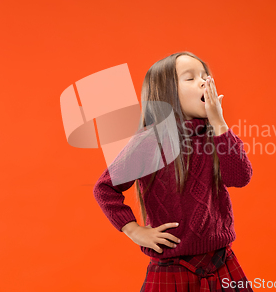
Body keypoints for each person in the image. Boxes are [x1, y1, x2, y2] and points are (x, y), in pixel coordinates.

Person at [93, 51, 254, 291]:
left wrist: (219, 123)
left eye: (205, 75)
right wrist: (134, 230)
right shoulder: (150, 142)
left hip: (222, 262)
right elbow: (104, 188)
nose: (203, 81)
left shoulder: (218, 136)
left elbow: (240, 178)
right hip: (173, 268)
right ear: (166, 94)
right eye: (190, 78)